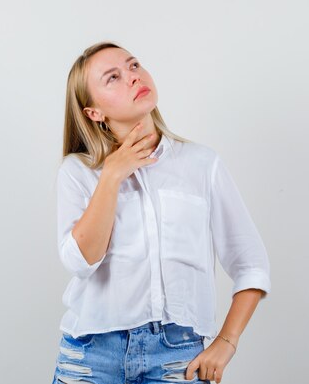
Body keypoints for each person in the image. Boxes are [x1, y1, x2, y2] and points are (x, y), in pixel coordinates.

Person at [51, 41, 271, 384]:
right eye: (113, 77)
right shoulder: (78, 172)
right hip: (91, 356)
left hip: (178, 358)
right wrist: (111, 176)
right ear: (93, 112)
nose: (132, 77)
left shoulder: (201, 164)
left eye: (134, 65)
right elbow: (81, 261)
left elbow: (251, 264)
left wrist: (227, 342)